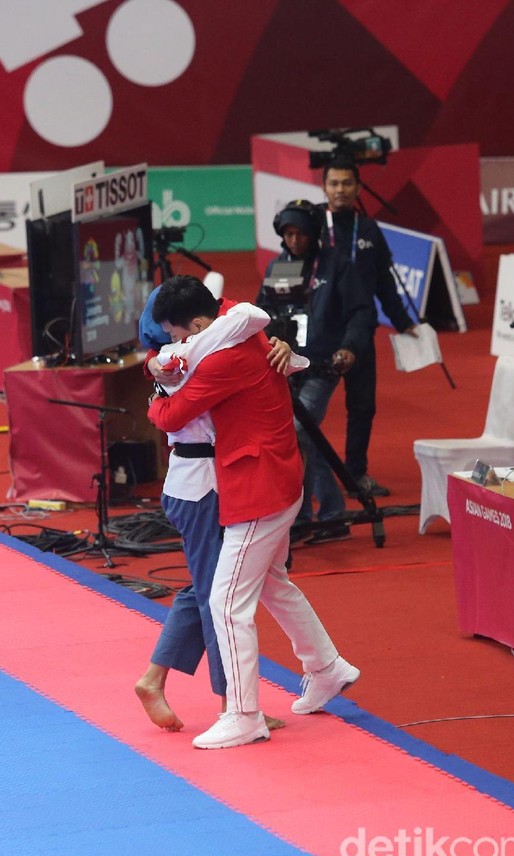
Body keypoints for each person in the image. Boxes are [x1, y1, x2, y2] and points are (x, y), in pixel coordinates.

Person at [148, 275, 360, 750]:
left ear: (198, 325)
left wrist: (157, 393)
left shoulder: (222, 358)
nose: (175, 344)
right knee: (271, 584)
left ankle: (243, 714)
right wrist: (159, 363)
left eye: (178, 335)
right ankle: (327, 668)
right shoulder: (237, 324)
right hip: (274, 477)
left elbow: (172, 415)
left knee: (225, 602)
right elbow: (223, 319)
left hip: (259, 487)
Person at [135, 284, 298, 732]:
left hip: (207, 482)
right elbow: (243, 316)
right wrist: (155, 386)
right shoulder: (182, 360)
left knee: (204, 588)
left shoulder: (194, 348)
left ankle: (153, 679)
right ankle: (234, 703)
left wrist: (279, 345)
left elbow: (238, 315)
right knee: (217, 598)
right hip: (200, 488)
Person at [257, 199, 373, 541]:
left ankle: (310, 516)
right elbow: (262, 313)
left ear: (314, 233)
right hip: (285, 366)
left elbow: (361, 312)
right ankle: (325, 517)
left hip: (322, 366)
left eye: (301, 234)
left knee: (299, 432)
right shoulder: (278, 266)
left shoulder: (337, 266)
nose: (294, 240)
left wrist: (349, 347)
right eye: (288, 234)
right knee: (306, 436)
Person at [321, 156, 418, 497]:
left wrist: (403, 322)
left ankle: (356, 474)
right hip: (321, 331)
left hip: (360, 330)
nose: (341, 190)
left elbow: (384, 283)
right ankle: (303, 478)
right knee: (308, 409)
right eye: (334, 183)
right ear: (324, 187)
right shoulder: (313, 225)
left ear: (358, 187)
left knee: (362, 406)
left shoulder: (368, 229)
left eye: (347, 183)